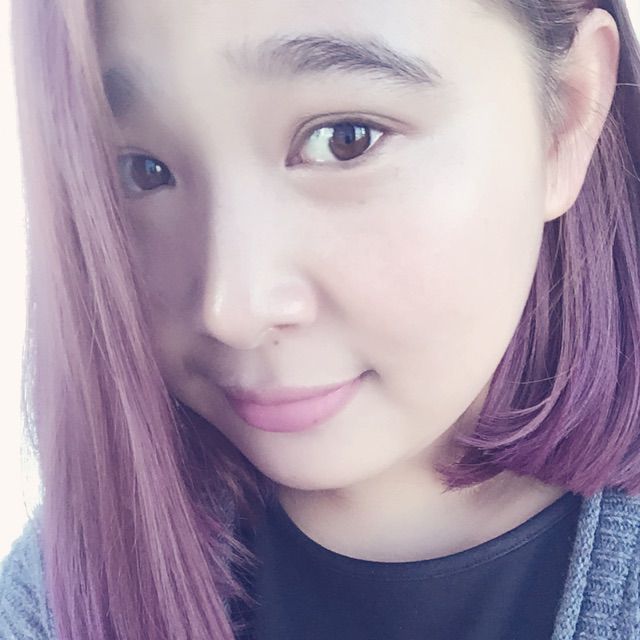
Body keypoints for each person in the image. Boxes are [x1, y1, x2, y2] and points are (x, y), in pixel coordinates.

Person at [1, 0, 640, 638]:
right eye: (141, 171)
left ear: (566, 117)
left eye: (345, 139)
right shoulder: (57, 592)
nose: (231, 310)